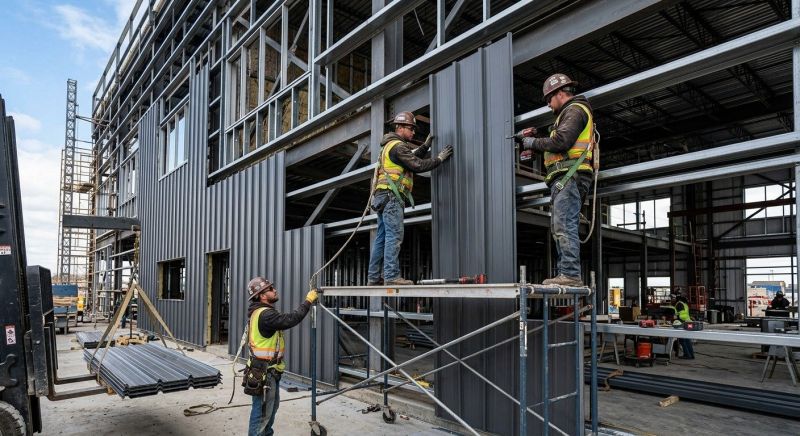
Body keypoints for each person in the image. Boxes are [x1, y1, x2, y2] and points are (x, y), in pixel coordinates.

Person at [514, 73, 595, 286]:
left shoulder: (575, 110)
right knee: (561, 224)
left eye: (549, 99)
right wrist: (538, 137)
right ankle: (567, 273)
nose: (549, 105)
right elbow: (558, 144)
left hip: (571, 175)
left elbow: (561, 142)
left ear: (560, 93)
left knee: (564, 224)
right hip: (567, 176)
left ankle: (570, 274)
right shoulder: (569, 114)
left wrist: (532, 142)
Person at [367, 111, 453, 286]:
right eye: (410, 128)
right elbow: (417, 165)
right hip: (391, 197)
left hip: (382, 197)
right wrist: (438, 159)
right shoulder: (398, 146)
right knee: (394, 236)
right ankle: (391, 276)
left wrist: (425, 146)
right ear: (399, 127)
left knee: (382, 237)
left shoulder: (388, 146)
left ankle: (373, 277)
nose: (413, 132)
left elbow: (410, 158)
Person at [245, 277, 318, 436]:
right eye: (271, 289)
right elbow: (290, 319)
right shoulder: (265, 315)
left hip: (268, 371)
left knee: (270, 409)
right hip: (264, 372)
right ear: (262, 296)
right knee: (262, 413)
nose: (275, 290)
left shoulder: (259, 312)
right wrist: (308, 301)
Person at [670, 294, 695, 360]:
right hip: (688, 323)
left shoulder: (679, 304)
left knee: (682, 340)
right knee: (687, 340)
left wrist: (676, 318)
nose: (672, 300)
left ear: (676, 298)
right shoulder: (684, 303)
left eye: (673, 298)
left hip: (683, 323)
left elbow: (682, 315)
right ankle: (691, 355)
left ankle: (687, 355)